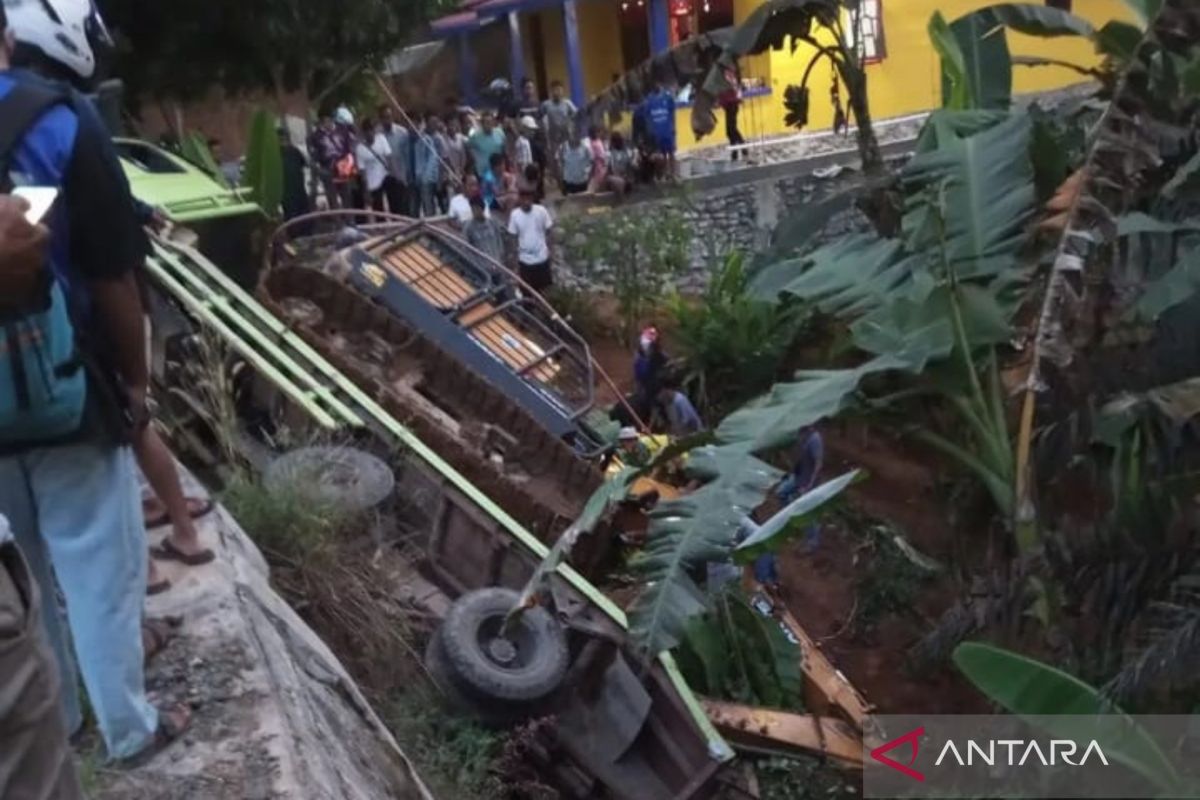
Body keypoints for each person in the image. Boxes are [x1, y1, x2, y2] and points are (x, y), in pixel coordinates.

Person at [0, 0, 189, 760]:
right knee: (100, 566)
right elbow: (115, 276)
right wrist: (135, 386)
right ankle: (130, 728)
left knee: (23, 571)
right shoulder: (63, 118)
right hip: (70, 385)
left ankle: (62, 723)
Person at [776, 425, 825, 551]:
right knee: (781, 493)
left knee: (806, 510)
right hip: (798, 476)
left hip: (808, 481)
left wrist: (810, 485)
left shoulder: (815, 439)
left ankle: (812, 541)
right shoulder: (802, 434)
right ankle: (794, 521)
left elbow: (818, 463)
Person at [507, 188, 554, 293]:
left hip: (542, 258)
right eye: (524, 198)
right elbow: (513, 239)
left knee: (545, 291)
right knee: (527, 292)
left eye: (529, 198)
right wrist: (515, 263)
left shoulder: (541, 211)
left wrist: (550, 251)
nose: (526, 201)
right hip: (525, 261)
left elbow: (549, 231)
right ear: (520, 199)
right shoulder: (515, 215)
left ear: (532, 198)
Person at [308, 111, 353, 209]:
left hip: (343, 169)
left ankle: (350, 221)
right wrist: (320, 171)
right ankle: (338, 222)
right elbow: (313, 158)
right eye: (324, 121)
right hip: (328, 170)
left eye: (328, 120)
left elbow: (350, 150)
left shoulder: (342, 131)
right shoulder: (316, 136)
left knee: (347, 198)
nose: (326, 123)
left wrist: (349, 167)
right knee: (332, 199)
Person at [541, 80, 577, 188]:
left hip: (566, 139)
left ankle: (570, 186)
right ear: (551, 91)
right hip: (553, 141)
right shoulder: (546, 105)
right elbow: (540, 118)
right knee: (556, 166)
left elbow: (576, 115)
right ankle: (561, 187)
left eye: (559, 89)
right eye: (554, 90)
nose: (557, 92)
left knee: (568, 163)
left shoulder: (568, 103)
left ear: (563, 91)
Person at [640, 81, 677, 180]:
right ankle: (664, 175)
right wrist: (649, 133)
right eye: (654, 83)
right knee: (662, 155)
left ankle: (673, 174)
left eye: (658, 83)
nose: (657, 85)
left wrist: (673, 127)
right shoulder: (649, 100)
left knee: (672, 153)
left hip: (667, 131)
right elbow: (647, 118)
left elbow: (672, 113)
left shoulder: (668, 97)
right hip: (656, 133)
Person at [379, 104, 411, 216]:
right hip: (387, 177)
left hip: (401, 176)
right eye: (384, 117)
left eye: (389, 116)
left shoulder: (402, 133)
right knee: (393, 209)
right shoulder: (378, 134)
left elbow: (407, 156)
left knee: (405, 208)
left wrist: (406, 175)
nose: (387, 120)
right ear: (380, 119)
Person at [354, 117, 392, 213]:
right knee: (379, 210)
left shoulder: (381, 139)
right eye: (367, 130)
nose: (370, 133)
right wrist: (366, 190)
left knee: (394, 205)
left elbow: (389, 156)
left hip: (385, 177)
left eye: (371, 129)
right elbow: (362, 172)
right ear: (364, 133)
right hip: (372, 183)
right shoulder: (360, 149)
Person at [633, 325, 667, 421]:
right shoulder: (640, 358)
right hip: (647, 385)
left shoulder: (659, 355)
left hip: (655, 385)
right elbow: (639, 375)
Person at [278, 125, 310, 222]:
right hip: (285, 190)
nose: (283, 140)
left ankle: (306, 231)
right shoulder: (276, 154)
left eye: (285, 137)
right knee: (290, 213)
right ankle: (294, 233)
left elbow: (304, 163)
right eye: (281, 138)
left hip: (299, 187)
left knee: (303, 211)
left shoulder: (294, 150)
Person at [414, 116, 443, 217]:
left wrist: (440, 178)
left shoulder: (439, 139)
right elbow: (420, 159)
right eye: (431, 123)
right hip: (424, 179)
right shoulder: (421, 138)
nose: (434, 125)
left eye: (436, 123)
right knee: (428, 206)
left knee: (442, 205)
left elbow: (441, 160)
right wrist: (420, 177)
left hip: (436, 177)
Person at [463, 195, 505, 264]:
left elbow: (499, 242)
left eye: (477, 209)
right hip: (481, 266)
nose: (474, 212)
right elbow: (466, 248)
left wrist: (501, 257)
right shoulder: (469, 227)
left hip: (497, 262)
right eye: (472, 209)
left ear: (482, 209)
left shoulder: (493, 223)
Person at [468, 109, 506, 179]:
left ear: (493, 122)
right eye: (486, 122)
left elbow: (504, 150)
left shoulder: (500, 133)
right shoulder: (475, 136)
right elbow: (469, 148)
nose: (489, 124)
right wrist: (475, 158)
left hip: (497, 172)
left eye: (490, 122)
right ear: (482, 124)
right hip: (483, 172)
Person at [719, 62, 746, 161]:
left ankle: (737, 151)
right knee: (731, 129)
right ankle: (741, 148)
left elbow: (734, 89)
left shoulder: (728, 76)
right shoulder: (727, 76)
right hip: (729, 105)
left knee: (731, 130)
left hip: (732, 105)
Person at [559, 129, 591, 196]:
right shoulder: (563, 147)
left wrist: (589, 176)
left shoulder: (585, 147)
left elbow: (592, 162)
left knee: (583, 203)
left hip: (582, 183)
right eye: (573, 134)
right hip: (568, 183)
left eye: (577, 134)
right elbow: (560, 163)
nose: (575, 137)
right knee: (570, 204)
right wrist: (560, 181)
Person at [444, 116, 468, 185]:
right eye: (450, 125)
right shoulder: (443, 139)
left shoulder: (461, 137)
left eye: (454, 125)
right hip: (449, 173)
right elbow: (445, 158)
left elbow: (471, 142)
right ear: (446, 126)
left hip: (461, 171)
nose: (452, 127)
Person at [587, 125, 609, 193]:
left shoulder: (599, 141)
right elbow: (591, 156)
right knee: (595, 183)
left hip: (601, 165)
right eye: (596, 132)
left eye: (598, 132)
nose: (598, 134)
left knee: (601, 182)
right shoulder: (589, 142)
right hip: (595, 165)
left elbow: (603, 154)